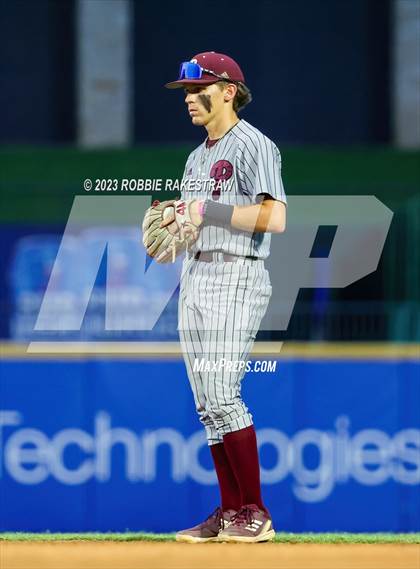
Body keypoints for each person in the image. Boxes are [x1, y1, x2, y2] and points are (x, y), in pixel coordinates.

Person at [165, 52, 287, 543]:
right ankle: (231, 510)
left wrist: (205, 209)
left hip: (236, 275)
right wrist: (177, 228)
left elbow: (274, 218)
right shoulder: (196, 157)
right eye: (187, 92)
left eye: (199, 90)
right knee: (206, 404)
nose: (190, 99)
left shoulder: (254, 145)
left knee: (223, 395)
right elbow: (198, 221)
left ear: (228, 91)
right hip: (196, 276)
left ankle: (256, 509)